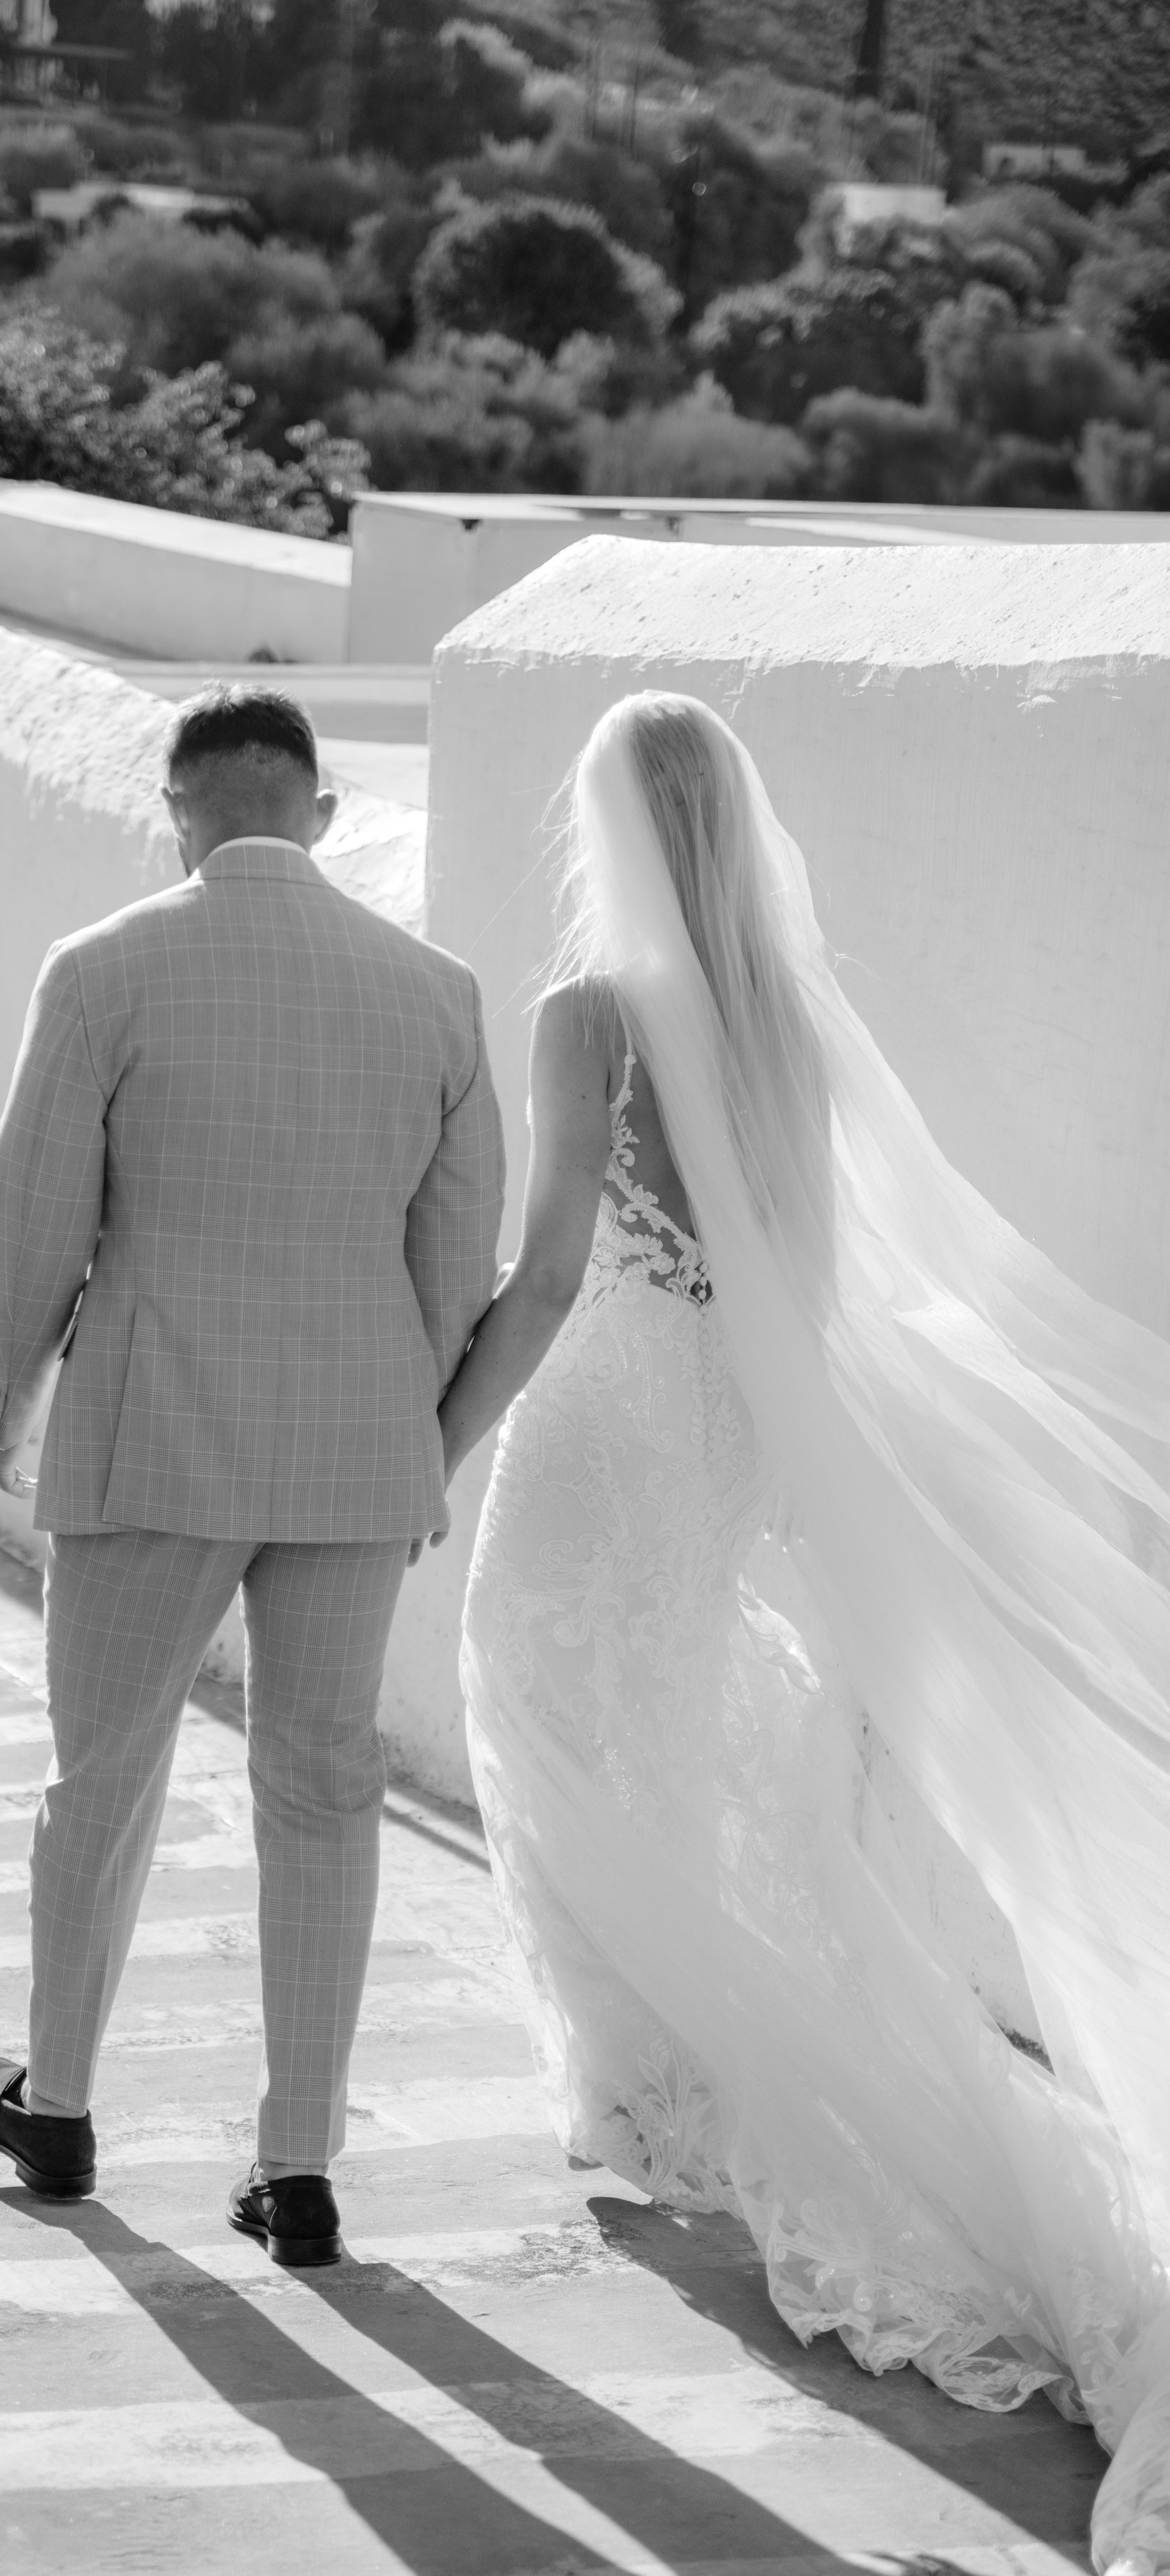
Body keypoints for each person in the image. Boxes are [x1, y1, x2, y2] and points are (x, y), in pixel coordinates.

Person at [439, 691, 1170, 2575]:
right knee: (677, 1724)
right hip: (722, 1432)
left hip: (599, 1418)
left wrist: (429, 1441)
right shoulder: (785, 1024)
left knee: (544, 1707)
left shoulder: (587, 1018)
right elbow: (814, 1284)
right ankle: (660, 2075)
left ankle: (636, 2085)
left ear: (611, 831)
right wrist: (768, 1484)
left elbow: (536, 1276)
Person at [0, 684, 504, 2268]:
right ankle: (300, 2167)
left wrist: (10, 1386)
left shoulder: (104, 967)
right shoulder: (435, 991)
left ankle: (55, 2104)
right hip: (353, 1448)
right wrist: (417, 1454)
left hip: (150, 1435)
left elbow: (31, 1219)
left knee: (101, 1776)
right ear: (319, 812)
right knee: (325, 1792)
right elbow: (453, 1262)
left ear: (175, 808)